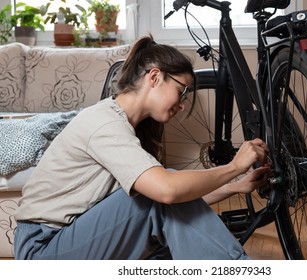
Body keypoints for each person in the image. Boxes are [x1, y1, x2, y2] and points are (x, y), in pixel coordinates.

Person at [14, 35, 271, 260]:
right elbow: (166, 193)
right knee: (161, 190)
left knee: (180, 246)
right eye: (181, 92)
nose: (182, 105)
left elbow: (175, 204)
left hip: (70, 239)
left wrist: (233, 186)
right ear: (155, 77)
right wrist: (234, 166)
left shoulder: (127, 128)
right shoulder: (104, 124)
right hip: (43, 249)